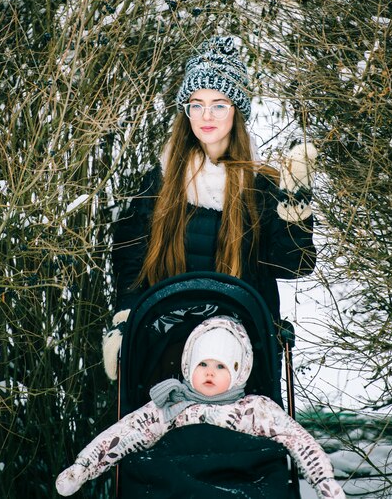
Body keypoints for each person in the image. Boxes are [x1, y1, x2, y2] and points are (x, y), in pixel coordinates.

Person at [103, 35, 318, 380]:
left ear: (237, 111)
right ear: (185, 111)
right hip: (167, 339)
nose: (206, 115)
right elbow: (132, 259)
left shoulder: (261, 186)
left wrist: (295, 209)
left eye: (219, 104)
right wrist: (125, 317)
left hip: (240, 343)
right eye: (196, 104)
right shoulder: (160, 181)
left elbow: (294, 266)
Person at [56, 317, 345, 499]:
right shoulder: (169, 404)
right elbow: (123, 434)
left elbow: (299, 441)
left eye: (220, 366)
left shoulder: (256, 409)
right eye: (202, 364)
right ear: (188, 365)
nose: (209, 372)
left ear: (239, 371)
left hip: (240, 481)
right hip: (178, 481)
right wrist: (82, 468)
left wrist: (325, 483)